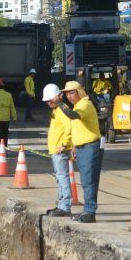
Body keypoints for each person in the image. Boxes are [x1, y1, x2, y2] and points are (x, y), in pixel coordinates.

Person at [61, 80, 102, 223]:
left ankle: (90, 211)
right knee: (86, 180)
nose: (69, 96)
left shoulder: (85, 105)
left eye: (72, 93)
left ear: (80, 92)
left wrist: (60, 103)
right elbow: (77, 129)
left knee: (88, 180)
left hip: (89, 146)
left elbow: (73, 115)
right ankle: (87, 210)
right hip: (81, 147)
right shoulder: (78, 105)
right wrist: (73, 146)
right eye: (66, 94)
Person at [43, 83, 74, 217]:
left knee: (62, 177)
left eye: (51, 99)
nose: (49, 102)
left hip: (60, 150)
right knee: (60, 178)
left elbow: (69, 128)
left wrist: (64, 144)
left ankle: (65, 206)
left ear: (59, 96)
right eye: (47, 100)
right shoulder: (56, 110)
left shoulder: (62, 109)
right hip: (56, 151)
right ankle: (61, 204)